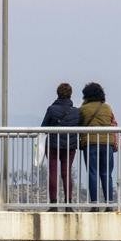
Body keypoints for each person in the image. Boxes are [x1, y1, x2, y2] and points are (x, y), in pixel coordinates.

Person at [41, 82, 81, 211]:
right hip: (70, 146)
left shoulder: (51, 110)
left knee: (53, 172)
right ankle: (68, 204)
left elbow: (43, 127)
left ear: (57, 94)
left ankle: (53, 204)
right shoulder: (76, 112)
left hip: (53, 144)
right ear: (70, 95)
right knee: (67, 173)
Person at [78, 82, 117, 209]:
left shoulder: (83, 109)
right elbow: (113, 122)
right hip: (107, 144)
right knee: (106, 173)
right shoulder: (107, 108)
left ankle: (94, 204)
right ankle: (109, 204)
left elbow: (79, 124)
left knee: (92, 173)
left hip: (91, 143)